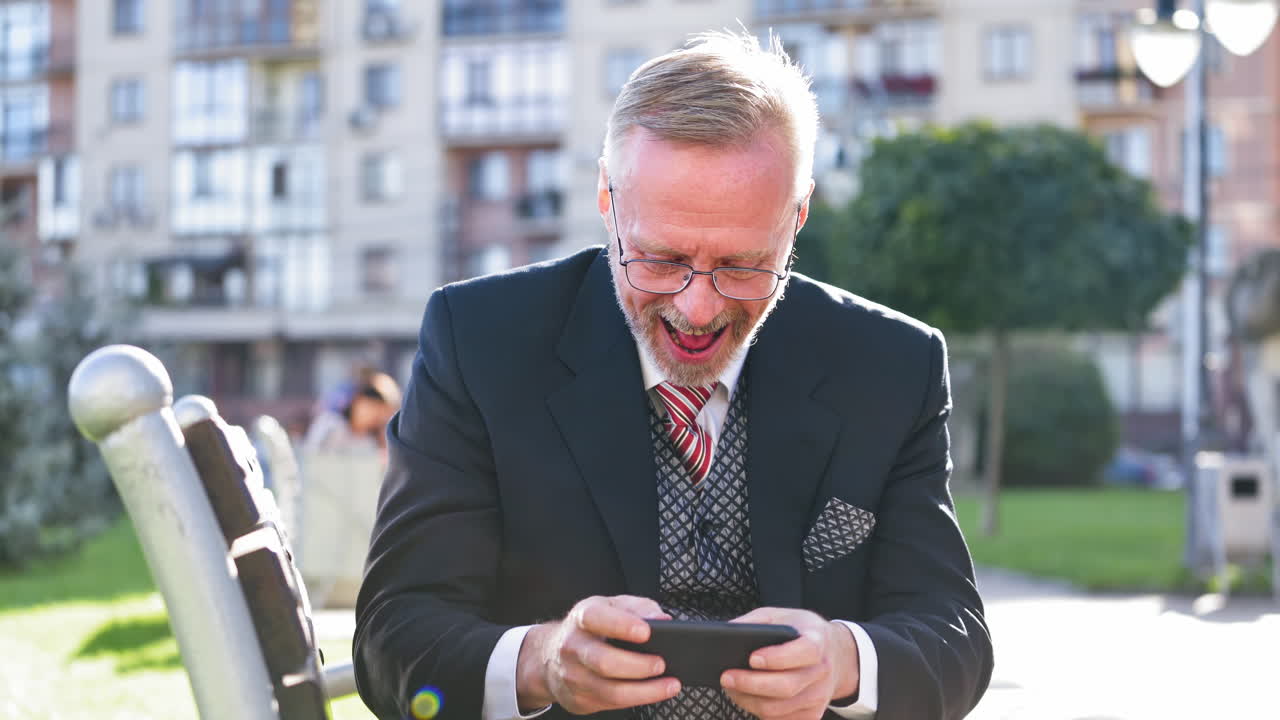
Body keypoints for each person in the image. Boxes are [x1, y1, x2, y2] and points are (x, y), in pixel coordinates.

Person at [354, 30, 992, 720]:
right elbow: (395, 639)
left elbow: (952, 637)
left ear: (796, 216)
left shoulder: (893, 364)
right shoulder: (479, 342)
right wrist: (541, 661)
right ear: (607, 199)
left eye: (743, 265)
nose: (698, 307)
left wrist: (843, 660)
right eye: (659, 260)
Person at [302, 370, 402, 455]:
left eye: (382, 412)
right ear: (358, 400)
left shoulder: (370, 441)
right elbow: (310, 456)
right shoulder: (331, 424)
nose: (375, 415)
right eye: (372, 406)